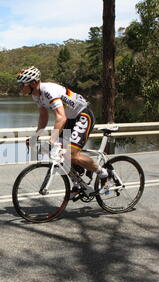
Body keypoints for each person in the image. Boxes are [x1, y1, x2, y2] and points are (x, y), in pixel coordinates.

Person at [16, 66, 110, 194]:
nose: (20, 88)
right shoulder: (36, 95)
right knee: (59, 153)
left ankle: (104, 174)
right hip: (69, 119)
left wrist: (51, 140)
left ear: (33, 83)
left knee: (71, 154)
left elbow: (61, 117)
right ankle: (77, 183)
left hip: (82, 115)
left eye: (22, 85)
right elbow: (43, 117)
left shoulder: (48, 91)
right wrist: (35, 136)